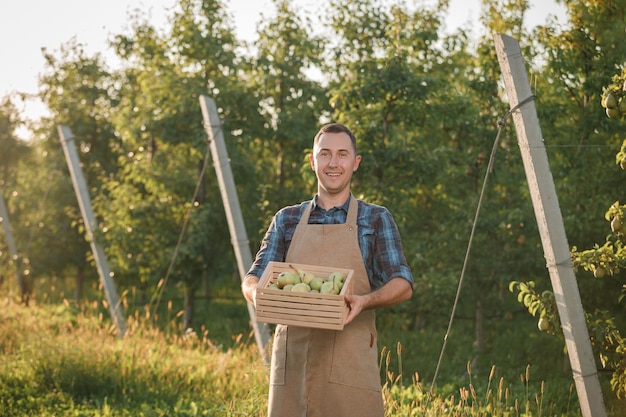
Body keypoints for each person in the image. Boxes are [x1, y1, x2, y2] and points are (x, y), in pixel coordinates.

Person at [241, 122, 414, 417]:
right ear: (312, 161)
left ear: (355, 163)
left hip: (351, 364)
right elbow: (253, 277)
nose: (333, 163)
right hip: (293, 364)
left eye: (342, 154)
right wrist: (262, 297)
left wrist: (365, 301)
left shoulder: (375, 219)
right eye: (325, 154)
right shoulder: (287, 219)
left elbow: (403, 283)